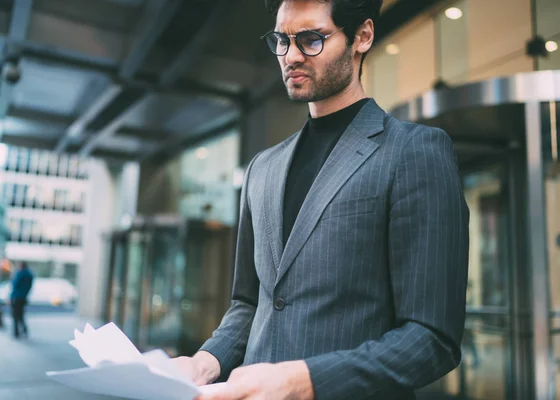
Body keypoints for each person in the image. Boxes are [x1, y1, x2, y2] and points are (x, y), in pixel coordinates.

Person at [174, 0, 470, 399]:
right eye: (282, 40)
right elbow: (250, 302)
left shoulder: (413, 152)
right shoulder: (262, 168)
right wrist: (205, 362)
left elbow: (432, 338)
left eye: (311, 39)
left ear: (362, 37)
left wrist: (304, 381)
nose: (290, 56)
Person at [10, 261, 33, 338]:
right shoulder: (30, 275)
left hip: (16, 297)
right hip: (24, 297)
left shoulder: (19, 274)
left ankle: (16, 333)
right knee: (21, 315)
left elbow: (14, 284)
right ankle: (24, 330)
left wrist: (13, 276)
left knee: (15, 315)